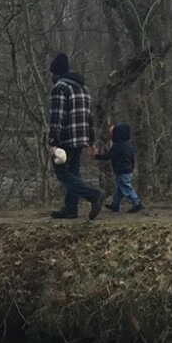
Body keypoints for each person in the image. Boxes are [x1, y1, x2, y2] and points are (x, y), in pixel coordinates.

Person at [46, 52, 102, 221]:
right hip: (81, 137)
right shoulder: (82, 88)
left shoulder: (60, 88)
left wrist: (53, 141)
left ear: (55, 73)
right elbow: (89, 116)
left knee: (62, 173)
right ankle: (71, 208)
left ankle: (93, 194)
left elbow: (58, 116)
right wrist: (91, 142)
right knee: (74, 173)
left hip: (66, 138)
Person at [104, 119, 144, 213]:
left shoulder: (117, 146)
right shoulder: (128, 145)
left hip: (122, 170)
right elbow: (132, 158)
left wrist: (97, 156)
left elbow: (109, 156)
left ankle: (137, 203)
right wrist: (132, 167)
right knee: (119, 189)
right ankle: (115, 204)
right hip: (128, 170)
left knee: (126, 187)